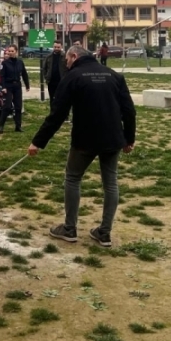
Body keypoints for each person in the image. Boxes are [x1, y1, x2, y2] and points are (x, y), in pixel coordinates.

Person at [27, 46, 136, 248]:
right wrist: (129, 139)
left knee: (73, 177)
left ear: (74, 56)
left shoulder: (72, 76)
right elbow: (129, 110)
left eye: (67, 60)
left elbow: (57, 114)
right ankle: (104, 232)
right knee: (110, 182)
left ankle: (69, 228)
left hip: (85, 139)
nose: (66, 64)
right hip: (113, 138)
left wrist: (38, 142)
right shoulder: (114, 75)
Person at [0, 45, 30, 133]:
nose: (10, 53)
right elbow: (2, 76)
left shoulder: (20, 62)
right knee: (7, 106)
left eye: (12, 51)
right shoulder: (5, 63)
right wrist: (3, 87)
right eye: (9, 51)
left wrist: (27, 85)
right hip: (8, 86)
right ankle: (1, 126)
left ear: (16, 52)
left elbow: (24, 74)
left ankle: (18, 126)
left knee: (18, 107)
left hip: (17, 86)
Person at [42, 41, 68, 113]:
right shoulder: (48, 57)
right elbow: (44, 68)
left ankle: (64, 114)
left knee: (62, 98)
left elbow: (68, 68)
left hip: (62, 81)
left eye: (58, 47)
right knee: (52, 99)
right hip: (51, 82)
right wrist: (46, 77)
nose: (56, 48)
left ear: (61, 47)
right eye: (55, 47)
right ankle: (53, 113)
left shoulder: (65, 56)